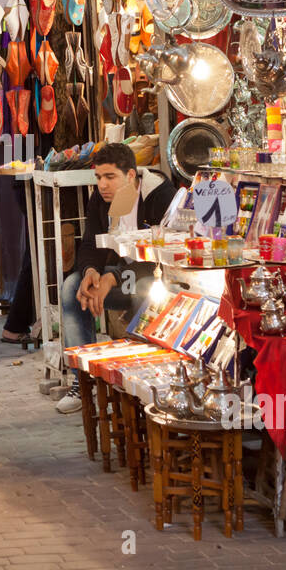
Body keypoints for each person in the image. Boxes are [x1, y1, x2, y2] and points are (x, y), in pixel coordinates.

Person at [55, 142, 177, 414]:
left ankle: (141, 385)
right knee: (72, 287)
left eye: (110, 177)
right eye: (99, 177)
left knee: (145, 289)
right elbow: (90, 244)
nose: (102, 184)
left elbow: (159, 260)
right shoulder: (101, 198)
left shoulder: (159, 196)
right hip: (123, 276)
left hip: (157, 278)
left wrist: (113, 279)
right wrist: (91, 273)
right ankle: (82, 383)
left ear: (131, 175)